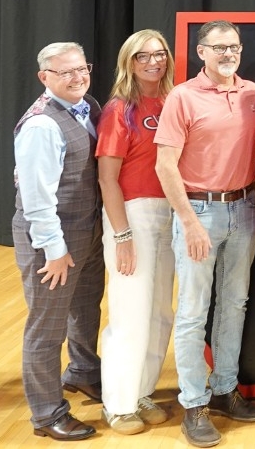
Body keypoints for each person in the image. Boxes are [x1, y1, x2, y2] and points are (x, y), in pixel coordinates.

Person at [155, 20, 255, 447]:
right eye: (218, 47)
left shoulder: (252, 93)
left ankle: (223, 389)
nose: (227, 53)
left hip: (243, 209)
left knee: (234, 304)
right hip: (199, 211)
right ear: (200, 52)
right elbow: (166, 165)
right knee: (192, 312)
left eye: (233, 46)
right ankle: (194, 404)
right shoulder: (182, 97)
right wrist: (188, 220)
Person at [13, 42, 104, 441]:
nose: (77, 77)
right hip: (52, 242)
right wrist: (55, 250)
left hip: (86, 233)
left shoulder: (89, 107)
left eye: (81, 68)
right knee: (46, 329)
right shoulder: (41, 125)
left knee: (85, 309)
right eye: (65, 72)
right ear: (44, 78)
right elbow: (36, 200)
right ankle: (47, 413)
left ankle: (83, 372)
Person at [97, 30, 176, 434]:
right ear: (129, 61)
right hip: (134, 215)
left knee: (161, 312)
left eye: (159, 54)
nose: (153, 61)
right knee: (131, 312)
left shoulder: (172, 101)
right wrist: (123, 236)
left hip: (171, 214)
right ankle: (118, 403)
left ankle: (142, 391)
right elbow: (108, 179)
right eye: (143, 55)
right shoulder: (119, 109)